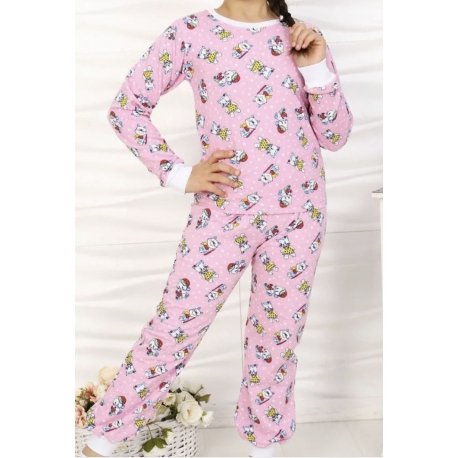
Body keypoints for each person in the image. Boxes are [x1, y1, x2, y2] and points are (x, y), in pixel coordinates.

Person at [81, 1, 353, 456]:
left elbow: (336, 136)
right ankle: (103, 440)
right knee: (175, 326)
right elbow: (127, 107)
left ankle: (264, 448)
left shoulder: (301, 37)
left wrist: (316, 69)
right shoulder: (192, 32)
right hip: (223, 213)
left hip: (299, 215)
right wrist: (176, 173)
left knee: (276, 341)